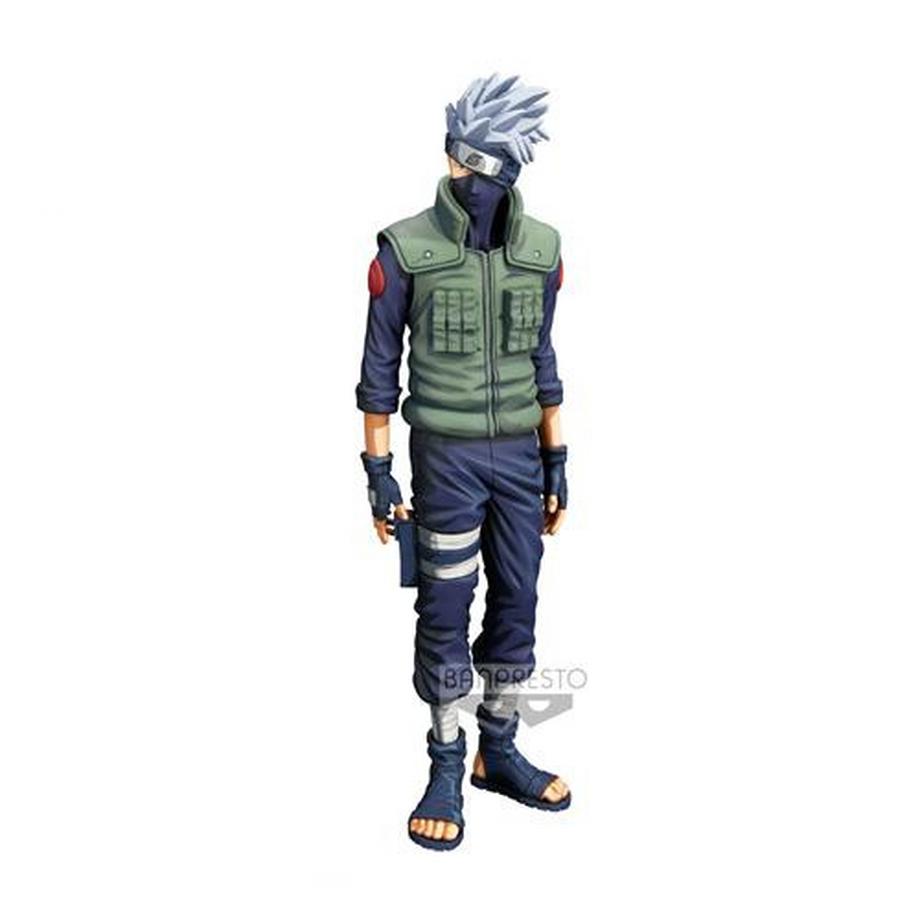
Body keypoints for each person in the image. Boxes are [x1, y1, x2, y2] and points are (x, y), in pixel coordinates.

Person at [356, 74, 571, 851]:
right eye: (464, 156)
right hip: (444, 458)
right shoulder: (405, 249)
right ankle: (446, 761)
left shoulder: (541, 250)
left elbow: (543, 359)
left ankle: (497, 751)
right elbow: (379, 371)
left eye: (480, 160)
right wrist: (378, 471)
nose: (467, 175)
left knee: (518, 599)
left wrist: (555, 457)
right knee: (445, 606)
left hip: (518, 458)